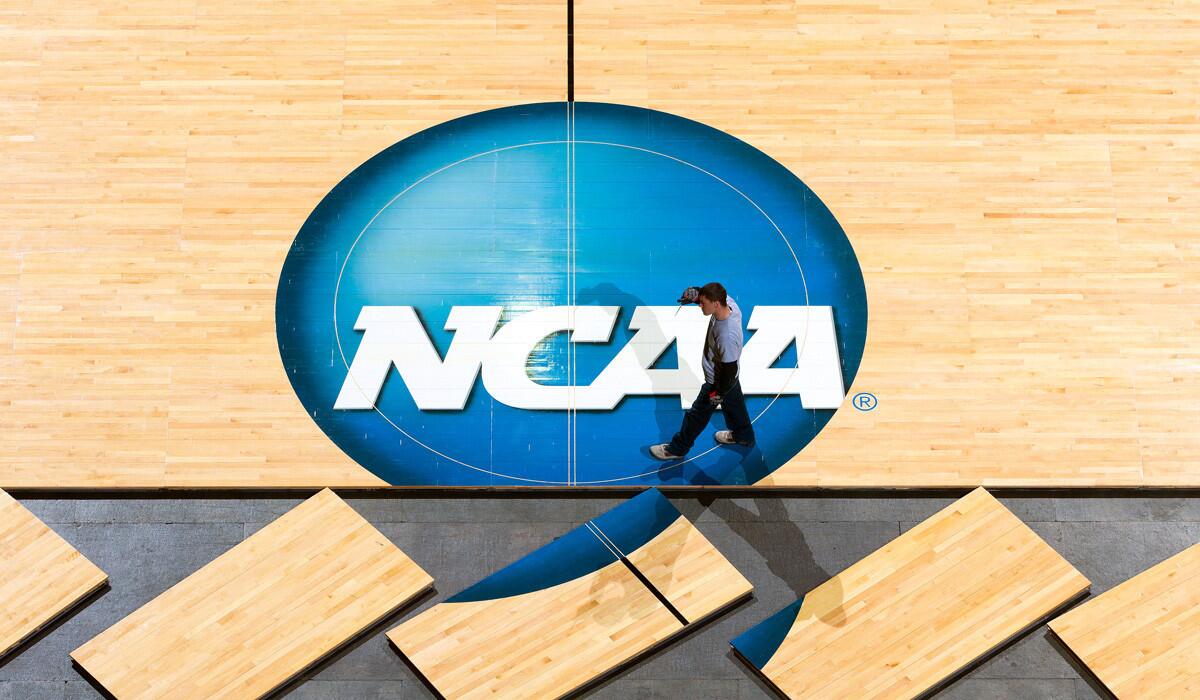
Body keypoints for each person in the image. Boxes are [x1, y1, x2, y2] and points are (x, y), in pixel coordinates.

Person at [650, 282, 755, 460]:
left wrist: (717, 393)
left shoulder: (726, 336)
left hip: (719, 380)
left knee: (696, 415)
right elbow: (709, 294)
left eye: (702, 303)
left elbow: (729, 371)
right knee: (735, 406)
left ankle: (677, 449)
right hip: (730, 379)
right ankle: (743, 435)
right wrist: (696, 294)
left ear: (715, 304)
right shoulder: (730, 305)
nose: (700, 306)